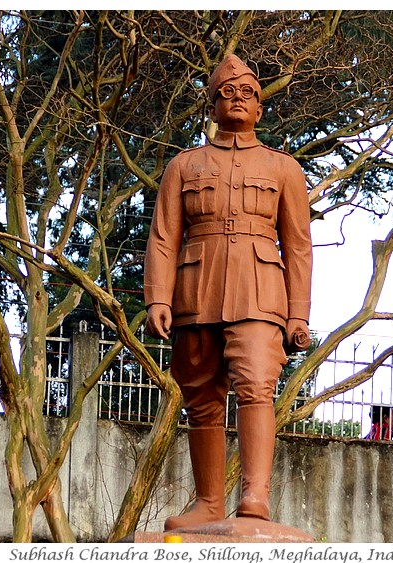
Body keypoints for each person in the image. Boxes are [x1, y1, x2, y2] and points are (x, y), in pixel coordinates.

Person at [144, 54, 313, 531]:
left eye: (247, 95)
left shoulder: (283, 169)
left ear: (260, 108)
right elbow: (163, 237)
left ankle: (255, 495)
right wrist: (158, 297)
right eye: (226, 93)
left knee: (257, 382)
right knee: (200, 396)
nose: (237, 100)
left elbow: (298, 245)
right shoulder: (184, 165)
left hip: (261, 293)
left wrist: (298, 313)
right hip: (196, 291)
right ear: (212, 106)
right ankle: (209, 503)